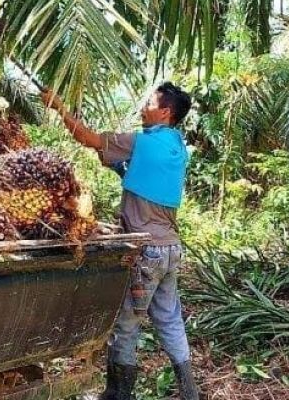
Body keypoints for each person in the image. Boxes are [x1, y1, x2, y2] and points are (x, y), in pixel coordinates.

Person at [41, 83, 199, 400]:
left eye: (149, 102)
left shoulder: (142, 142)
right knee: (169, 318)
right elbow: (140, 174)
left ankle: (118, 393)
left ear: (165, 112)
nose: (142, 107)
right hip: (169, 249)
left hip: (147, 251)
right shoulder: (177, 146)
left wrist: (57, 106)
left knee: (126, 323)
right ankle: (189, 390)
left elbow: (87, 139)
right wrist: (114, 162)